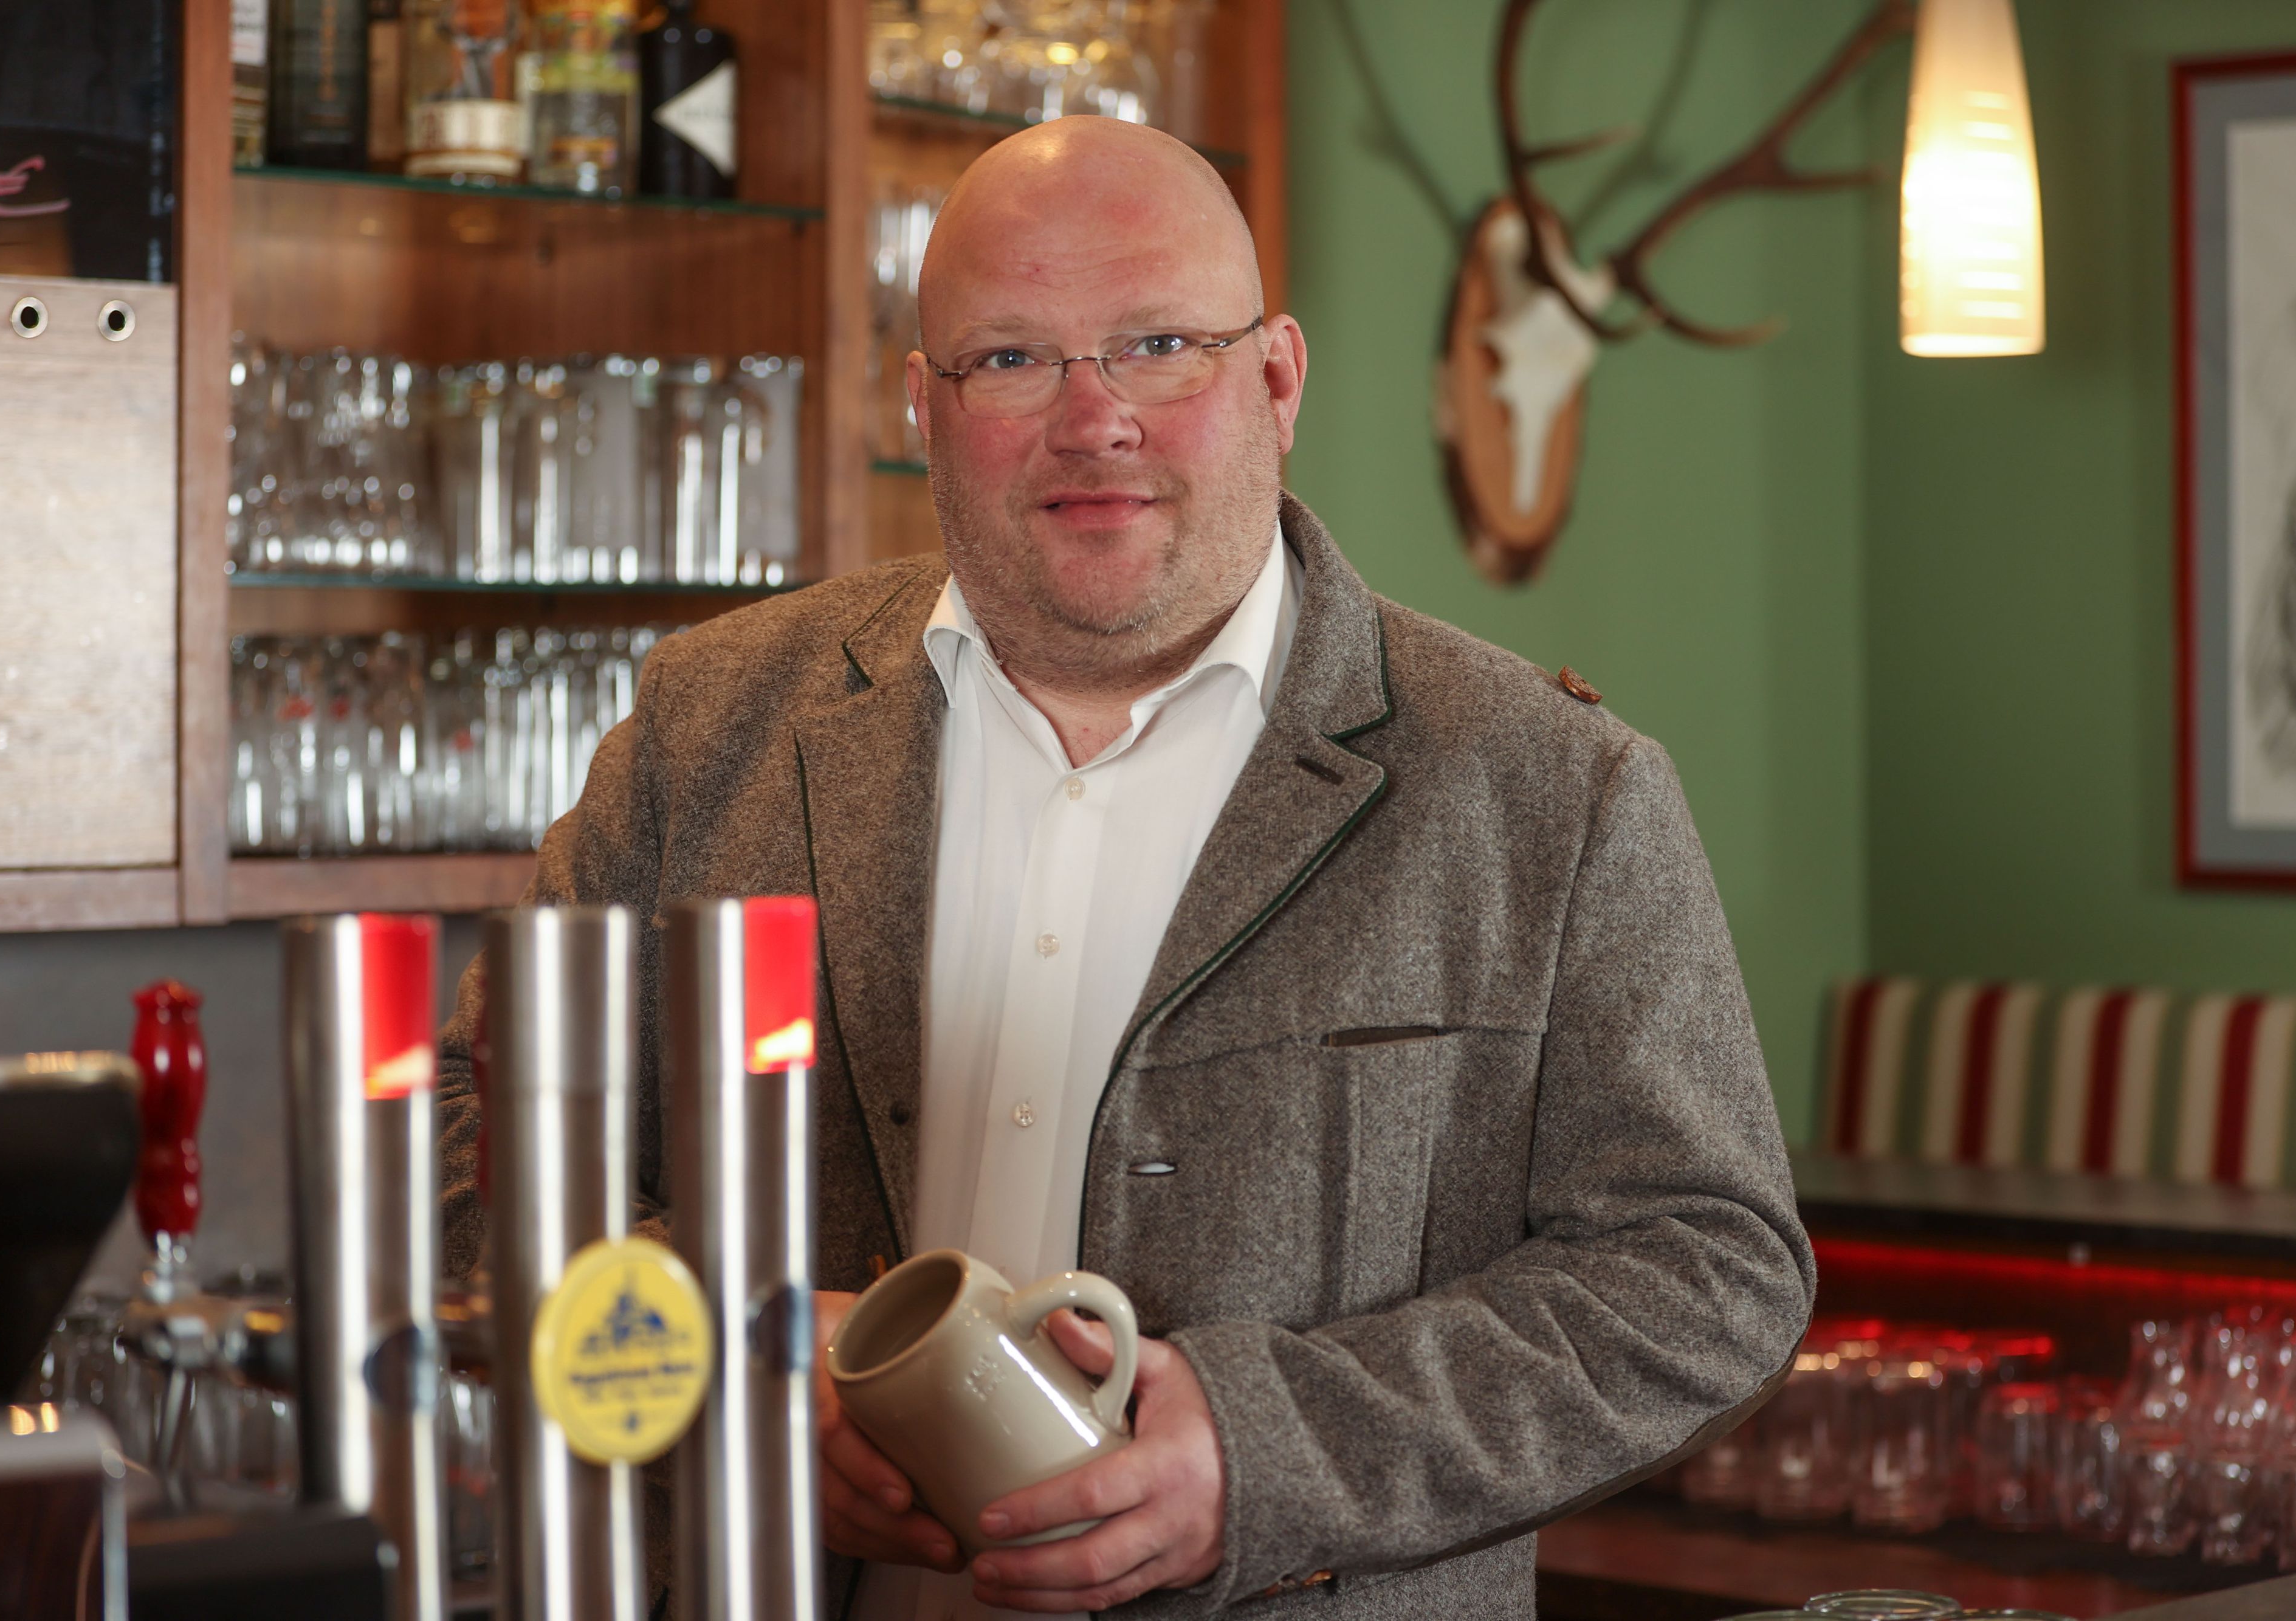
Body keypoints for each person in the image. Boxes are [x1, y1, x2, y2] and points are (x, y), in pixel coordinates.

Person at [435, 116, 1811, 1619]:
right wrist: (723, 1372)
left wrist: (1264, 1451)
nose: (1093, 419)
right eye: (1011, 360)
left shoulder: (1554, 791)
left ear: (1277, 379)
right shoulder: (711, 725)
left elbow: (1705, 1270)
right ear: (920, 402)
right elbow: (465, 1152)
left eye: (1158, 344)